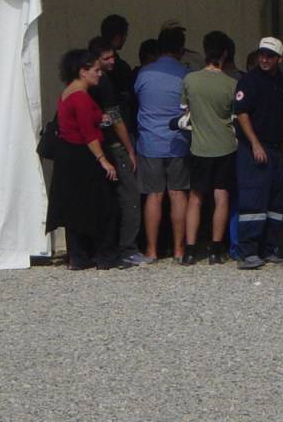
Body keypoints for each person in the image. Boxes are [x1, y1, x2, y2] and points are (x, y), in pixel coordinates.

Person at [46, 49, 124, 271]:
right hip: (83, 156)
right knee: (105, 205)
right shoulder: (80, 97)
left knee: (77, 207)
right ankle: (104, 254)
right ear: (83, 71)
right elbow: (87, 133)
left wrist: (100, 117)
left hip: (69, 156)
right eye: (96, 70)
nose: (100, 74)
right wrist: (103, 159)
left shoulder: (67, 93)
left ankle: (79, 255)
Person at [233, 37, 283, 269]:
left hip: (276, 149)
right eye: (261, 54)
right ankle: (248, 251)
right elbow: (242, 114)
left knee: (276, 200)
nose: (264, 59)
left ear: (279, 59)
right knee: (253, 199)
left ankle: (270, 247)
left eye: (269, 56)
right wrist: (255, 143)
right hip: (253, 149)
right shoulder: (249, 81)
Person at [87, 37, 149, 266]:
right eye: (107, 58)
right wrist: (130, 149)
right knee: (130, 195)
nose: (112, 61)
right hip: (112, 145)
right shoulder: (104, 84)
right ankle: (127, 248)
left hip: (96, 147)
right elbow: (116, 119)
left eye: (113, 57)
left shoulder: (84, 84)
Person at [134, 25, 192, 262]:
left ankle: (151, 250)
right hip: (178, 140)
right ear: (180, 49)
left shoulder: (144, 74)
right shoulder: (186, 74)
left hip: (150, 141)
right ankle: (179, 249)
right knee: (178, 194)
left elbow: (137, 97)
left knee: (154, 195)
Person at [182, 30, 238, 265]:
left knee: (195, 197)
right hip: (225, 145)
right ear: (225, 53)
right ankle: (215, 249)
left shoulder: (190, 80)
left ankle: (189, 250)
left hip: (199, 147)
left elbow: (184, 111)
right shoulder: (232, 83)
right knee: (221, 196)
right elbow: (234, 116)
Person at [101, 14, 135, 128]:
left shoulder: (86, 68)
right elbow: (114, 110)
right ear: (117, 38)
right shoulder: (120, 67)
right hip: (114, 123)